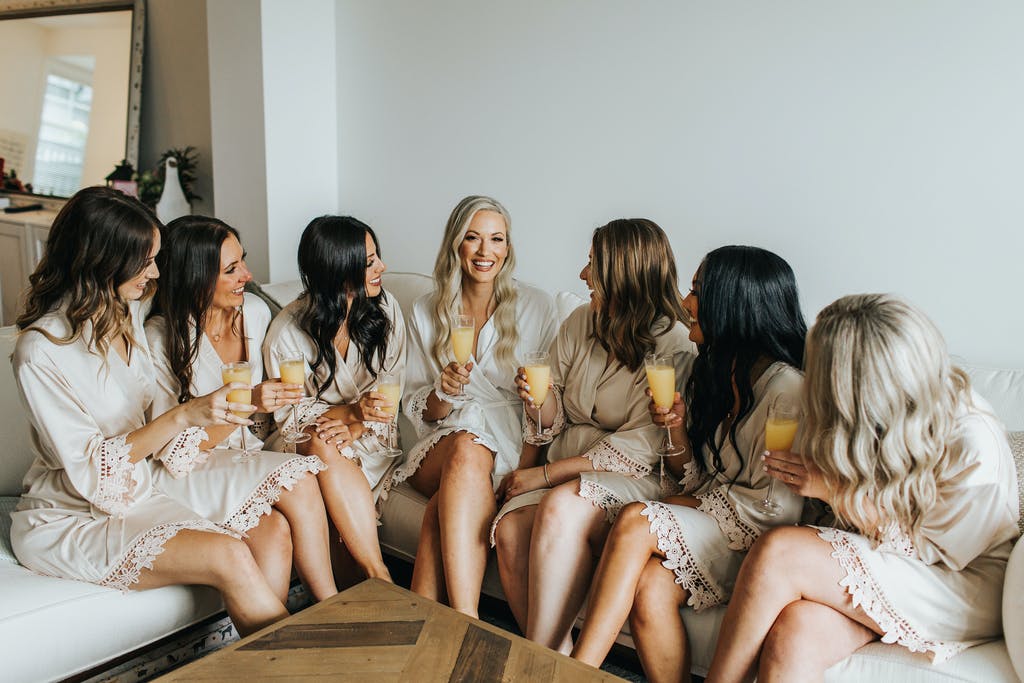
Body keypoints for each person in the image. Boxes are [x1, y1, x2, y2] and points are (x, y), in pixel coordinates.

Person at [10, 187, 290, 636]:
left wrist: (215, 412)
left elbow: (169, 441)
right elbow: (93, 472)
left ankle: (264, 659)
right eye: (145, 262)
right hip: (71, 515)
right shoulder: (40, 353)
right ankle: (295, 662)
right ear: (104, 261)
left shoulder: (129, 315)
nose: (156, 272)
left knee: (272, 529)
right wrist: (185, 414)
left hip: (141, 493)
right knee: (229, 553)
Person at [705, 294, 1019, 682]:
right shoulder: (872, 422)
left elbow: (936, 552)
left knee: (780, 551)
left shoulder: (971, 440)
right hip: (893, 565)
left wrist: (836, 492)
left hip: (960, 585)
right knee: (794, 634)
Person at [570, 245, 808, 679]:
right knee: (650, 588)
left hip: (759, 548)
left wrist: (689, 505)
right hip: (714, 530)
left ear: (733, 303)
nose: (684, 301)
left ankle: (573, 672)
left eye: (697, 290)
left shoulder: (787, 391)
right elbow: (694, 478)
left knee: (636, 519)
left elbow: (777, 510)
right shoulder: (714, 373)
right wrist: (676, 433)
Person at [492, 218, 692, 653]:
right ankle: (555, 656)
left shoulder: (674, 345)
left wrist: (545, 475)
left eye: (593, 265)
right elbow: (556, 413)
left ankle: (540, 664)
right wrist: (537, 398)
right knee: (508, 531)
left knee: (560, 507)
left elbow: (644, 445)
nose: (583, 275)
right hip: (571, 462)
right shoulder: (580, 321)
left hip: (637, 475)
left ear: (623, 275)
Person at [146, 215, 337, 604]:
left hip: (245, 459)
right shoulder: (160, 340)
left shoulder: (255, 312)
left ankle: (267, 638)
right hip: (186, 470)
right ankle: (332, 605)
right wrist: (249, 403)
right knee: (299, 479)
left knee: (275, 532)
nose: (247, 275)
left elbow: (267, 415)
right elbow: (172, 451)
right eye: (231, 269)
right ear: (196, 277)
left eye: (242, 261)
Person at [388, 195, 557, 617]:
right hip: (444, 442)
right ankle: (468, 619)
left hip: (511, 443)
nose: (486, 251)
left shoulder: (536, 306)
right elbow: (419, 410)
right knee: (466, 445)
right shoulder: (426, 310)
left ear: (508, 246)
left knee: (438, 513)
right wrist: (443, 391)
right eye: (473, 238)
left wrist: (526, 463)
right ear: (456, 243)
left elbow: (550, 410)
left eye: (497, 239)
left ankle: (426, 624)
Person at [263, 215, 406, 583]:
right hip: (304, 439)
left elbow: (391, 386)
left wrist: (357, 423)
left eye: (377, 256)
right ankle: (378, 573)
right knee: (322, 442)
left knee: (328, 447)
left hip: (370, 435)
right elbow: (291, 416)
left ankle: (368, 584)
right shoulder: (287, 332)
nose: (382, 267)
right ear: (339, 270)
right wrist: (350, 412)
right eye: (369, 261)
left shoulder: (386, 309)